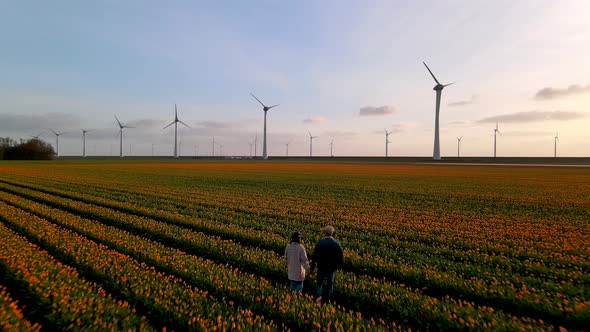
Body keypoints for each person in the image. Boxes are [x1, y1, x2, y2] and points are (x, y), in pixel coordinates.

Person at [310, 225, 343, 301]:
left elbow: (314, 256)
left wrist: (312, 267)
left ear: (325, 233)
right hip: (331, 268)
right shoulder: (336, 243)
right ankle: (329, 300)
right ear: (332, 233)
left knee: (319, 283)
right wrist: (338, 267)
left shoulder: (320, 243)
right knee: (330, 284)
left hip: (321, 267)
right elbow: (340, 257)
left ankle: (318, 299)